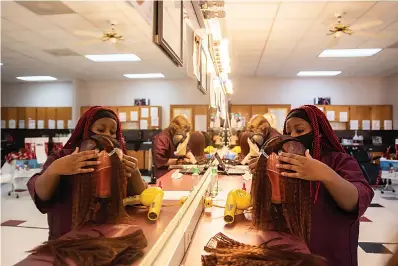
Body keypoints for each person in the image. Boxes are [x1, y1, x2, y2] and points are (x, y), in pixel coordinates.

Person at [273, 105, 373, 266]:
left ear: (318, 132)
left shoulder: (340, 161)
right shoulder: (288, 163)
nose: (293, 137)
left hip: (331, 255)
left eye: (299, 130)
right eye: (288, 132)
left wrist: (326, 174)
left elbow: (356, 201)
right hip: (293, 253)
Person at [27, 106, 147, 240]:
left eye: (112, 132)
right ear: (86, 130)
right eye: (100, 130)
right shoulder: (63, 157)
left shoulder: (117, 159)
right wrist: (54, 170)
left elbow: (141, 196)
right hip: (67, 238)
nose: (107, 134)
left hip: (109, 236)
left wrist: (134, 172)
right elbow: (41, 195)